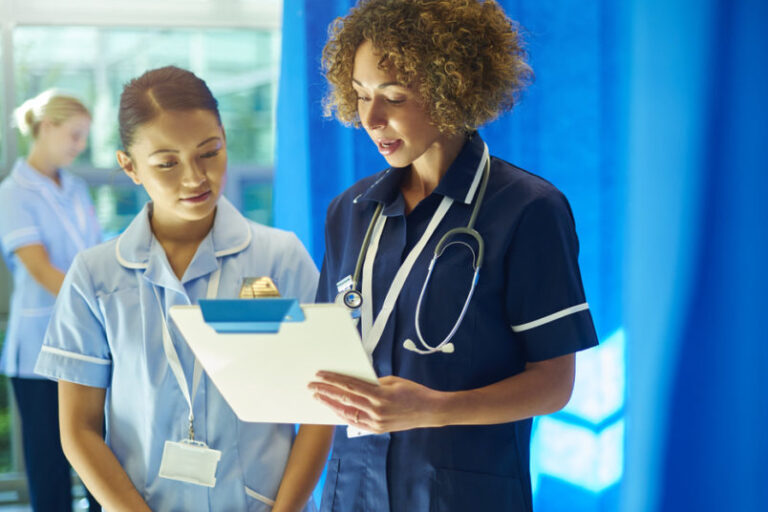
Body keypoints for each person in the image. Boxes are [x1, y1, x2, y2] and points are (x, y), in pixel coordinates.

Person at [308, 1, 599, 510]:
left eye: (393, 96)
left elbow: (554, 385)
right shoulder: (349, 212)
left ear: (452, 90)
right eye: (359, 96)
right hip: (349, 489)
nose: (371, 119)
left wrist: (434, 409)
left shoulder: (528, 210)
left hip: (462, 494)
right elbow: (326, 354)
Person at [34, 66, 333, 511]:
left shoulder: (278, 259)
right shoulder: (95, 276)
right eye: (167, 163)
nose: (195, 178)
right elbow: (78, 428)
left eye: (209, 152)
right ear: (130, 167)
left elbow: (317, 408)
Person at [0, 90, 101, 511]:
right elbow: (41, 271)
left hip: (89, 342)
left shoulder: (75, 188)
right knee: (49, 466)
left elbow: (93, 256)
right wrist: (101, 304)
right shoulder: (13, 193)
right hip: (38, 345)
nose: (79, 146)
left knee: (100, 458)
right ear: (46, 127)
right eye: (74, 135)